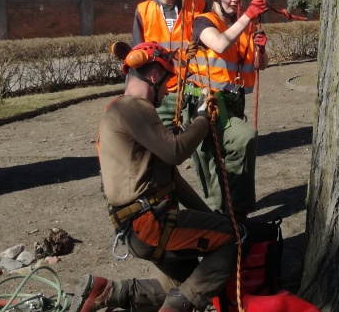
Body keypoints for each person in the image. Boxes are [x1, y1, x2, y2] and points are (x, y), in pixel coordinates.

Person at [70, 41, 239, 312]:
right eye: (169, 81)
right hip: (152, 223)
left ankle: (106, 292)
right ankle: (177, 308)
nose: (168, 92)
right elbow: (175, 152)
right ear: (154, 76)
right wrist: (202, 119)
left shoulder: (123, 112)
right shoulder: (132, 109)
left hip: (139, 224)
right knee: (232, 238)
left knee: (184, 278)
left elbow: (172, 178)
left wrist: (210, 216)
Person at [185, 0, 269, 218]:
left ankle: (231, 212)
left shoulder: (244, 25)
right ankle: (227, 212)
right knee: (233, 144)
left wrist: (260, 50)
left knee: (222, 154)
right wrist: (248, 17)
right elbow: (219, 44)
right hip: (204, 99)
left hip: (232, 100)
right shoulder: (204, 22)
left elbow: (260, 65)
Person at [131, 0, 208, 129]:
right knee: (162, 141)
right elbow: (136, 55)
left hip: (193, 86)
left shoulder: (198, 6)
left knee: (196, 136)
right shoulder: (143, 11)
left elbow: (211, 47)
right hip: (160, 90)